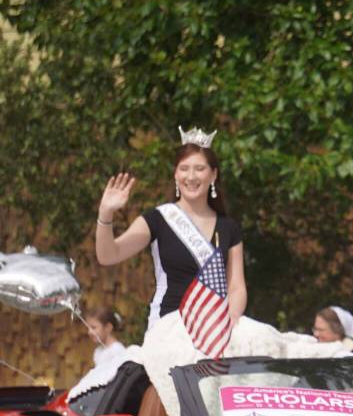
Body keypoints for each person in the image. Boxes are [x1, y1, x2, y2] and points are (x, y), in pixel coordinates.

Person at [94, 127, 247, 332]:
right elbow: (108, 255)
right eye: (184, 168)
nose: (191, 176)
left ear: (213, 175)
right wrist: (105, 213)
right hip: (169, 331)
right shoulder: (159, 219)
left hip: (214, 332)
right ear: (176, 174)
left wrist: (231, 321)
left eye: (199, 169)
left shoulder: (229, 228)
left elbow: (236, 287)